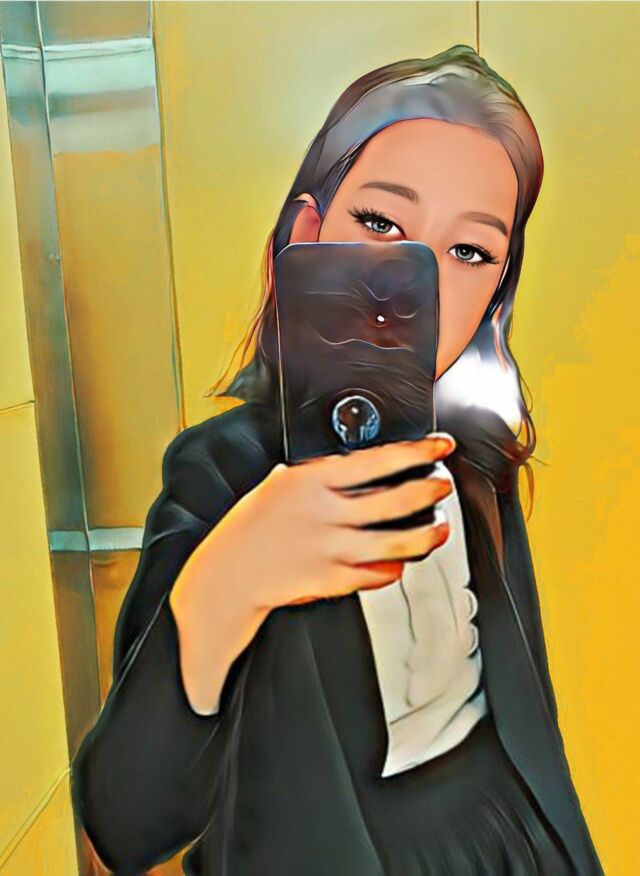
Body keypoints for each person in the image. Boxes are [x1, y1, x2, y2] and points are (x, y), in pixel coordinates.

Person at [72, 45, 604, 875]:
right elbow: (126, 823)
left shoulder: (475, 456)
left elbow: (527, 699)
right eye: (381, 224)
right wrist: (229, 582)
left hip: (505, 837)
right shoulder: (222, 471)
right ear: (306, 235)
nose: (413, 282)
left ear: (495, 295)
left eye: (469, 252)